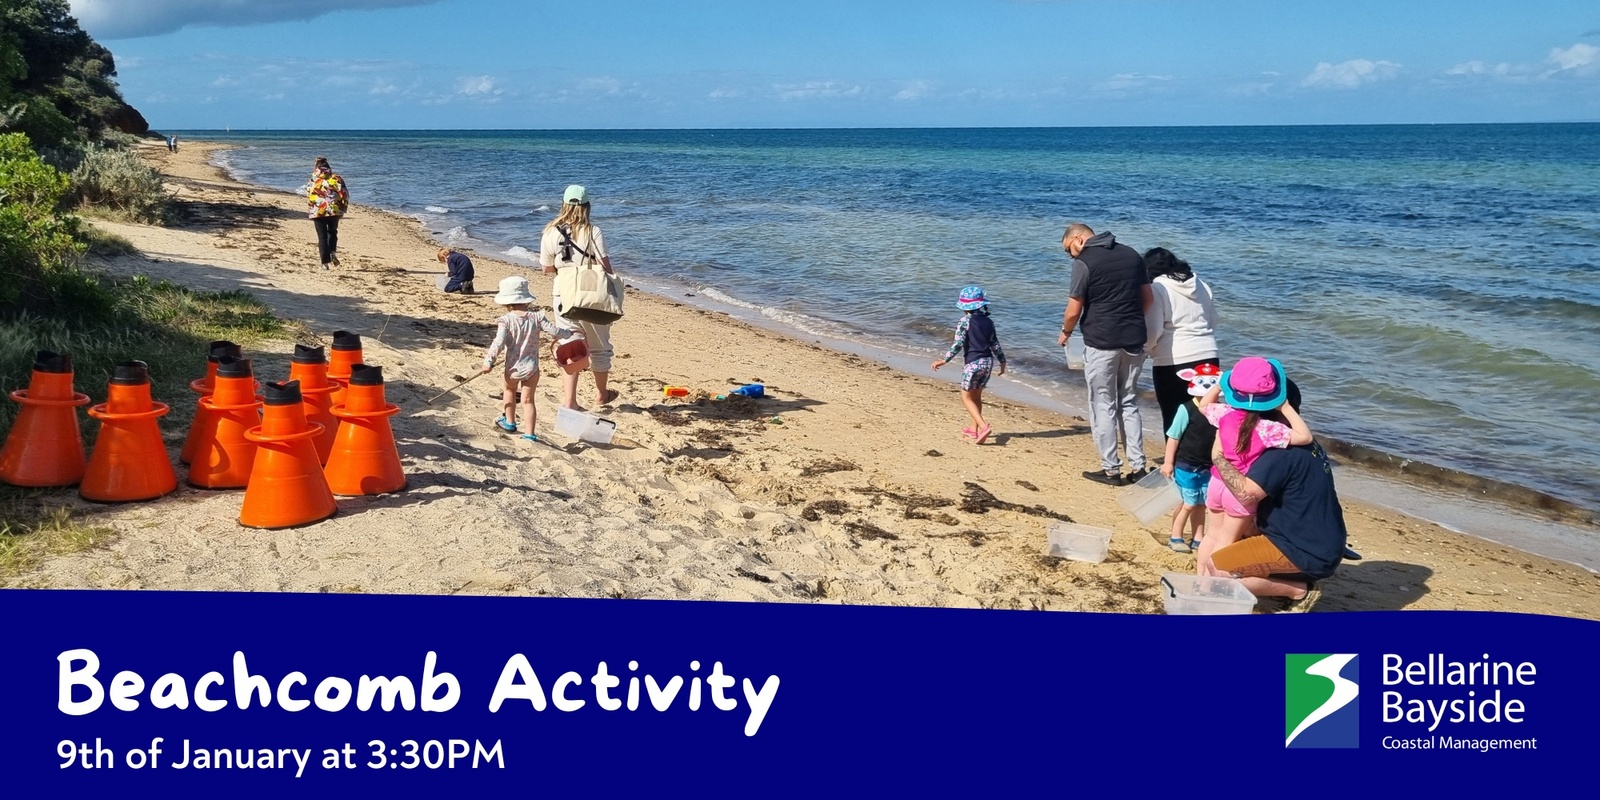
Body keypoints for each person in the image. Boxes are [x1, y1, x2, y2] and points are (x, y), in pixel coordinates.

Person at [1193, 357, 1313, 573]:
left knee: (1212, 535)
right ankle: (1211, 584)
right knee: (1226, 541)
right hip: (1239, 489)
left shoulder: (1224, 414)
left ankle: (1200, 576)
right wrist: (1285, 406)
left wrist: (1221, 383)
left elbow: (1204, 406)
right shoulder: (1267, 428)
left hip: (1216, 482)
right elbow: (1305, 437)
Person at [1205, 435, 1348, 611]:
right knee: (1241, 531)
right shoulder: (1307, 444)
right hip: (1321, 541)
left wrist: (1218, 457)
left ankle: (1298, 589)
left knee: (1218, 569)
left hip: (1305, 550)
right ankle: (1289, 578)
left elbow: (1246, 493)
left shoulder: (1281, 454)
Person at [1059, 223, 1153, 486]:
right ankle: (1139, 467)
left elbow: (1073, 310)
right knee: (1129, 401)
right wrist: (1130, 321)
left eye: (1069, 250)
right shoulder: (1132, 254)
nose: (1071, 256)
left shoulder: (1084, 262)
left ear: (1078, 239)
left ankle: (1111, 469)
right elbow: (1148, 300)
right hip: (1134, 338)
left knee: (1103, 404)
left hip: (1102, 340)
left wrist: (1065, 332)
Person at [539, 184, 618, 409]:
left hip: (563, 293)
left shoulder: (550, 232)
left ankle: (570, 401)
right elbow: (605, 265)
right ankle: (601, 395)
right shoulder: (593, 231)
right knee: (600, 346)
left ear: (563, 204)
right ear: (587, 206)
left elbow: (546, 269)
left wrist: (563, 268)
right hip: (591, 293)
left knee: (570, 346)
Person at [480, 276, 582, 440]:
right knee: (528, 401)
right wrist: (570, 334)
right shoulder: (537, 317)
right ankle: (530, 434)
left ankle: (510, 422)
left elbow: (498, 343)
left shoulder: (505, 321)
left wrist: (488, 362)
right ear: (526, 300)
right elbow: (555, 331)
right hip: (532, 368)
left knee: (509, 391)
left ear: (507, 302)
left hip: (512, 367)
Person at [1142, 247, 1219, 433]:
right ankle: (1206, 458)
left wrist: (1147, 349)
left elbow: (1153, 329)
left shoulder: (1157, 288)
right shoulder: (1201, 284)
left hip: (1173, 359)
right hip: (1209, 355)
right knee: (1207, 414)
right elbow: (1213, 320)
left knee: (1173, 415)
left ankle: (1176, 461)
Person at [931, 286, 1008, 444]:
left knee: (966, 396)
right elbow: (995, 344)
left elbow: (957, 344)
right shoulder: (988, 322)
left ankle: (983, 426)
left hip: (973, 363)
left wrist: (944, 360)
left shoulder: (965, 322)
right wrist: (1002, 361)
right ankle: (973, 430)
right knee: (976, 396)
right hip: (987, 362)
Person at [1158, 362, 1222, 553]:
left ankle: (1198, 538)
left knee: (1202, 504)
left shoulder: (1219, 409)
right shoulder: (1186, 409)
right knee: (1188, 503)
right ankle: (1176, 536)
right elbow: (1174, 436)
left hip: (1207, 466)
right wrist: (1168, 462)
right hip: (1186, 464)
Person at [304, 157, 349, 271]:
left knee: (322, 237)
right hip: (334, 210)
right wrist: (343, 207)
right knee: (332, 232)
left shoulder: (313, 179)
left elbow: (309, 195)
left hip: (318, 211)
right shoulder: (336, 178)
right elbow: (344, 194)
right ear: (328, 167)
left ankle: (325, 263)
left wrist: (311, 207)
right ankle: (333, 252)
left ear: (316, 168)